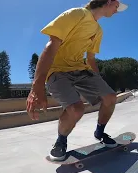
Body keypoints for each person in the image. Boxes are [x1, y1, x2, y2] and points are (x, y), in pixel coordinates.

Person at [26, 0, 128, 161]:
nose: (117, 11)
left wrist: (99, 83)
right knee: (76, 109)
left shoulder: (98, 31)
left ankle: (99, 132)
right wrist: (37, 85)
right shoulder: (76, 14)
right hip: (57, 71)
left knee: (110, 97)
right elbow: (51, 45)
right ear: (109, 2)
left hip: (81, 70)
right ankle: (60, 141)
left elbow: (91, 59)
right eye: (116, 7)